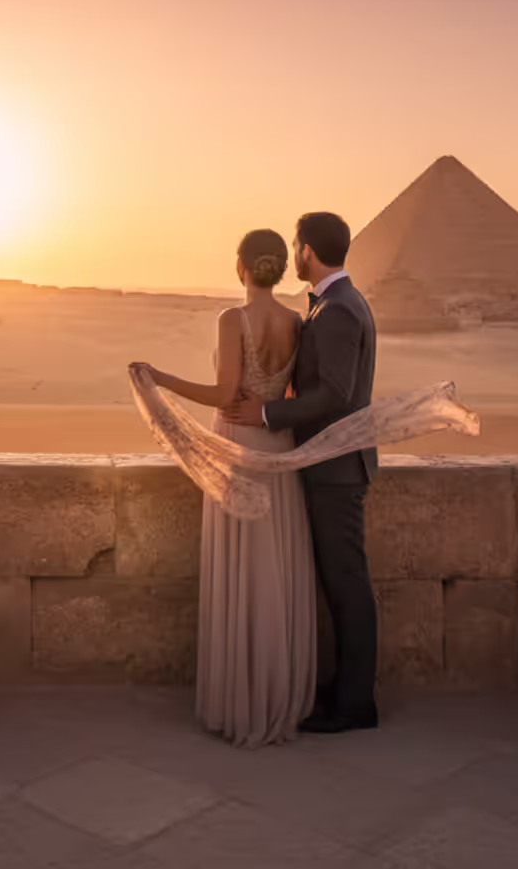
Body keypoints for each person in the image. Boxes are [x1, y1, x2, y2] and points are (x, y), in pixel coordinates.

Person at [132, 230, 315, 747]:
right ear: (279, 269)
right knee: (274, 566)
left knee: (246, 566)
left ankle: (245, 700)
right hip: (276, 446)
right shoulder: (295, 322)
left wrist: (159, 378)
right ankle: (278, 696)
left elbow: (223, 393)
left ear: (241, 267)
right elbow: (291, 393)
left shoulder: (231, 319)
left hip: (236, 445)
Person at [223, 211, 380, 734]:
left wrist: (267, 414)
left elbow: (334, 393)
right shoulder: (337, 304)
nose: (293, 255)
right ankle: (342, 692)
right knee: (339, 586)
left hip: (335, 469)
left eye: (297, 246)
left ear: (308, 251)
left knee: (347, 586)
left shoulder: (336, 310)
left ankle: (355, 705)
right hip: (329, 463)